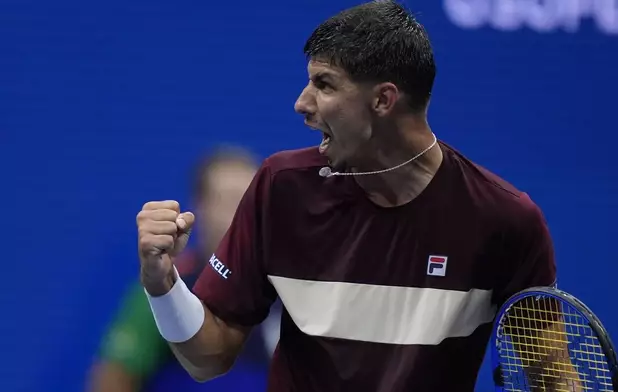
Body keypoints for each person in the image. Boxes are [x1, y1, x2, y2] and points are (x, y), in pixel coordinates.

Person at [135, 1, 558, 391]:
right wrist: (163, 284)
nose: (302, 104)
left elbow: (550, 373)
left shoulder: (505, 222)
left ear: (383, 99)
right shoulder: (282, 188)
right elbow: (208, 357)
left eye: (325, 84)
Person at [89, 147, 281, 392]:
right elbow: (113, 379)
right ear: (201, 207)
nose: (244, 212)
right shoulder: (165, 286)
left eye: (253, 199)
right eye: (231, 199)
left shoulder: (285, 289)